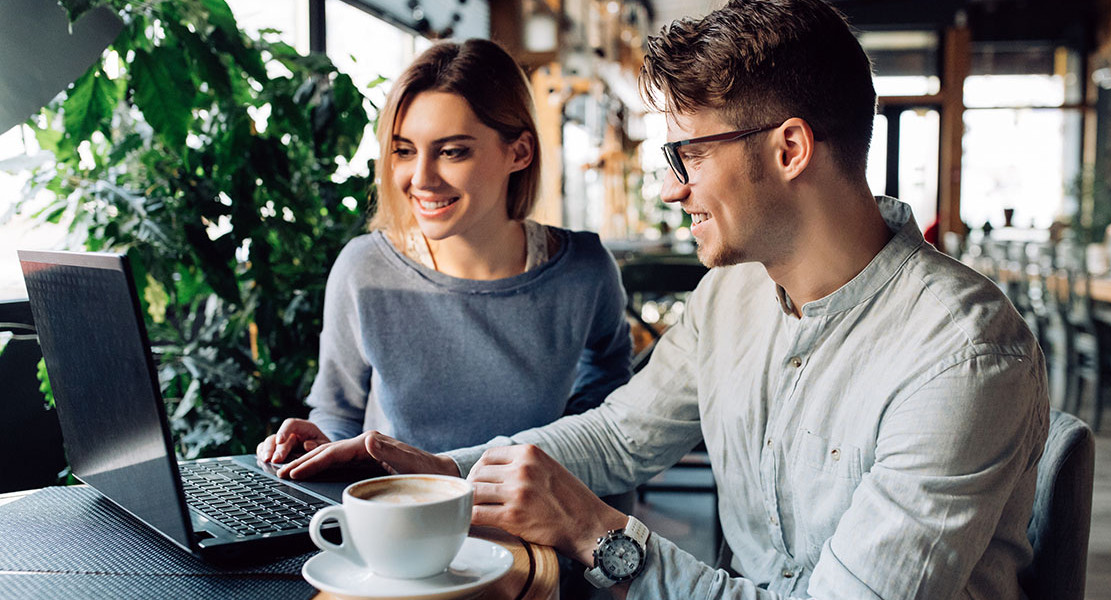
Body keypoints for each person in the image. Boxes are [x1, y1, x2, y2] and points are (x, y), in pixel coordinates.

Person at [277, 1, 1050, 598]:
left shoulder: (964, 357)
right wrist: (439, 475)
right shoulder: (729, 298)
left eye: (688, 155)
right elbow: (617, 437)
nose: (673, 188)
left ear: (789, 149)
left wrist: (597, 531)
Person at [256, 39, 632, 466]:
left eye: (452, 152)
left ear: (520, 151)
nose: (421, 178)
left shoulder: (584, 271)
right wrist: (316, 448)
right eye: (404, 151)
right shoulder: (365, 269)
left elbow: (604, 427)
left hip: (530, 528)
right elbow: (339, 415)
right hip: (398, 519)